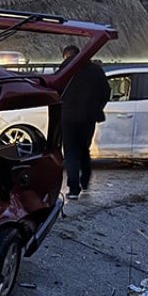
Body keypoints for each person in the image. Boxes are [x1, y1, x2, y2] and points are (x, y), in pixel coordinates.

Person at [58, 44, 111, 199]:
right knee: (84, 149)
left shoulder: (65, 69)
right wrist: (97, 108)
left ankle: (74, 189)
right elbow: (106, 92)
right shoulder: (96, 70)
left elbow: (56, 90)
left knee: (70, 152)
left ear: (66, 55)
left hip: (68, 116)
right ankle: (85, 181)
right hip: (88, 117)